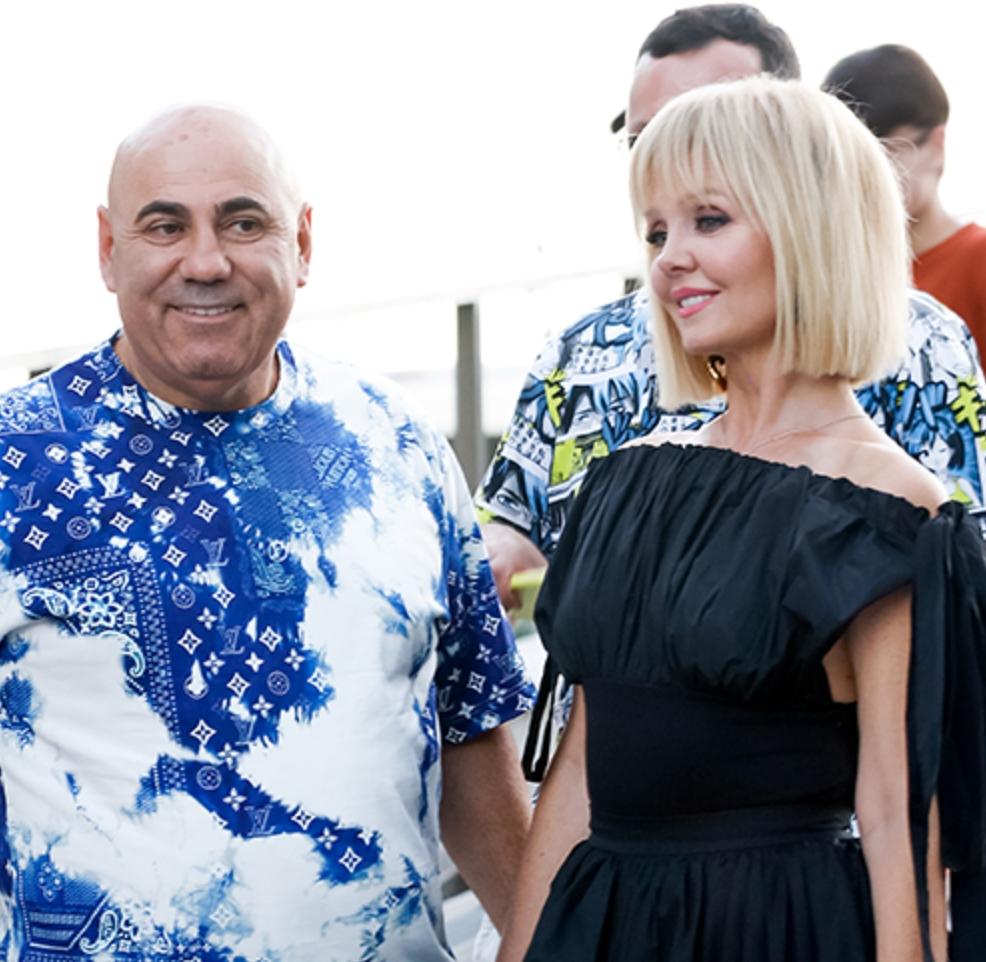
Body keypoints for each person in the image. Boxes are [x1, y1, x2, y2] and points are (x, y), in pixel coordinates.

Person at [0, 104, 535, 961]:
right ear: (108, 248)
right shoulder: (16, 460)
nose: (205, 262)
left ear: (304, 243)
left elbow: (469, 730)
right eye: (164, 226)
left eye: (244, 223)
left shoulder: (395, 441)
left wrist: (540, 940)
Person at [495, 75, 986, 962]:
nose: (668, 259)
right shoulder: (626, 480)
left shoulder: (889, 507)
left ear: (811, 228)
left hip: (774, 928)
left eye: (708, 220)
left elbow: (897, 815)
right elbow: (575, 779)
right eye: (657, 231)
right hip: (603, 925)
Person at [477, 5, 986, 616]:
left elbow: (952, 586)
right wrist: (506, 547)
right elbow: (507, 522)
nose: (676, 150)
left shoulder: (924, 344)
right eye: (644, 138)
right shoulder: (577, 352)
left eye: (716, 122)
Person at [824, 44, 986, 363]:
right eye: (850, 160)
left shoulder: (977, 261)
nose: (869, 176)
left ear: (937, 143)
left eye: (889, 154)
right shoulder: (831, 274)